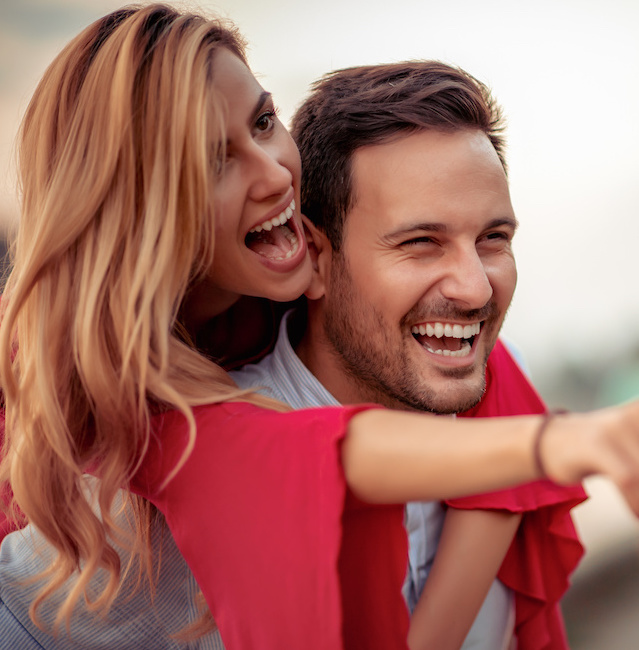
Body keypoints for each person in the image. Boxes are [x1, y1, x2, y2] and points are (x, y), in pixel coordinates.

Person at [2, 4, 639, 649]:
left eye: (263, 122)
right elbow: (305, 456)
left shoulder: (488, 376)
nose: (277, 173)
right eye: (419, 242)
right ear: (318, 252)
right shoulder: (148, 489)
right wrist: (561, 445)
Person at [232, 61, 586, 649]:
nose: (475, 289)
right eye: (421, 243)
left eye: (492, 239)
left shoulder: (500, 388)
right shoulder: (187, 482)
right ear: (315, 257)